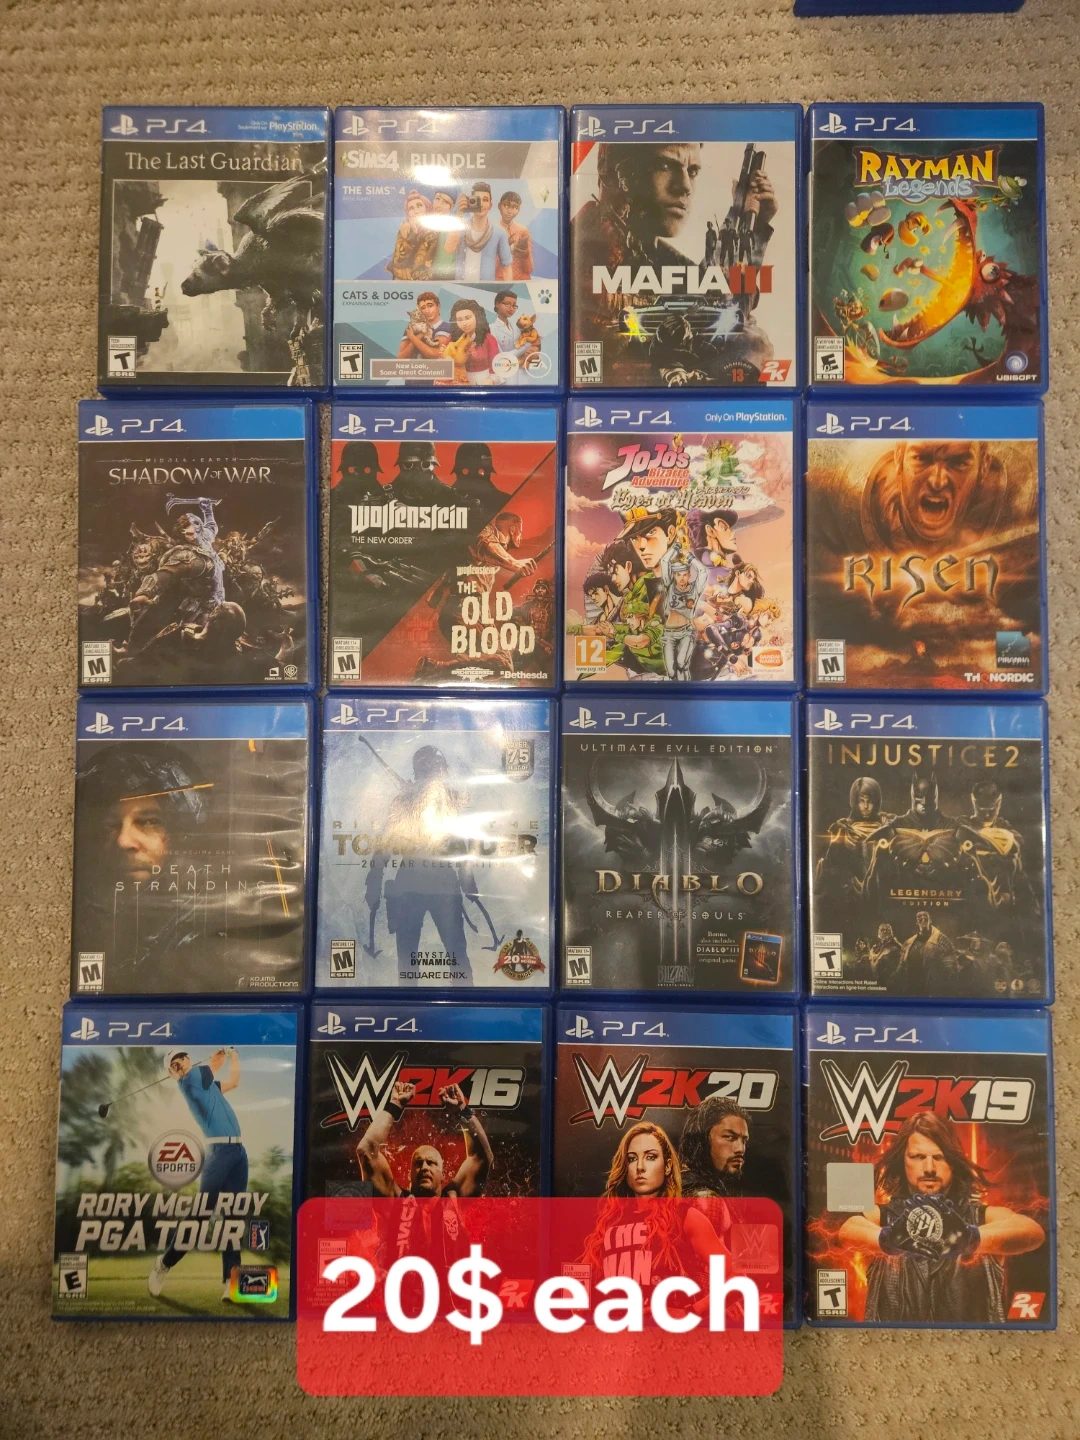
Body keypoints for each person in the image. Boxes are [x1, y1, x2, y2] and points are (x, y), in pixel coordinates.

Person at [839, 1112, 1044, 1323]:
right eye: (918, 1157)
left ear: (953, 1162)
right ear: (903, 1161)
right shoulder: (883, 1217)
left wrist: (971, 1238)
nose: (929, 1168)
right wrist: (886, 1239)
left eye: (939, 1157)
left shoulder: (980, 1217)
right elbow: (848, 1228)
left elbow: (1032, 1231)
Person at [357, 1078, 493, 1279]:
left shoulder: (454, 1199)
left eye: (431, 1163)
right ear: (410, 1174)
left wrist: (462, 1111)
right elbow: (366, 1150)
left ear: (443, 1174)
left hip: (450, 1295)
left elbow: (483, 1157)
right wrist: (395, 1105)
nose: (424, 1168)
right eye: (418, 1163)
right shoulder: (393, 1201)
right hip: (400, 1295)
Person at [148, 1047, 248, 1303]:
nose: (180, 1063)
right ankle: (164, 1263)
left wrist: (234, 1057)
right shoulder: (190, 1081)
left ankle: (231, 1281)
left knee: (233, 1218)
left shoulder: (207, 1084)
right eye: (174, 1064)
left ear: (188, 1058)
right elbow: (214, 1064)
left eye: (182, 1058)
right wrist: (222, 1055)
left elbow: (234, 1082)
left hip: (238, 1152)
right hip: (218, 1153)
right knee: (200, 1217)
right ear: (172, 1073)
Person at [444, 181, 512, 282]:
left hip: (486, 288)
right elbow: (449, 249)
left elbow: (507, 268)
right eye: (477, 199)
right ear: (470, 202)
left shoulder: (499, 233)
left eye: (485, 200)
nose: (481, 204)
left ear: (490, 205)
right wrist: (459, 215)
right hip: (460, 287)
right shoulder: (461, 228)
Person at [443, 298, 501, 385]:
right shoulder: (451, 339)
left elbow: (496, 368)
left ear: (477, 317)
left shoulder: (489, 339)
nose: (464, 323)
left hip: (485, 381)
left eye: (468, 318)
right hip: (460, 381)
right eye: (460, 320)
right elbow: (444, 364)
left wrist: (491, 380)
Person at [386, 190, 438, 280]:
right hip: (400, 277)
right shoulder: (405, 228)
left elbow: (426, 259)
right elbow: (400, 256)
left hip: (420, 279)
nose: (416, 211)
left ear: (427, 207)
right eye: (411, 208)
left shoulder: (432, 232)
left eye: (419, 206)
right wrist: (411, 232)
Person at [396, 291, 452, 361]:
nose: (427, 311)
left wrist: (413, 338)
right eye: (423, 308)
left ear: (438, 306)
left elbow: (435, 354)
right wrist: (417, 337)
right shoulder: (412, 327)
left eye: (430, 306)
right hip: (414, 367)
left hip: (435, 367)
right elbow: (400, 358)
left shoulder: (446, 327)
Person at [495, 190, 534, 280]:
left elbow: (529, 269)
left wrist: (526, 256)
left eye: (515, 207)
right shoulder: (493, 231)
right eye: (506, 206)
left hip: (521, 280)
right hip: (501, 281)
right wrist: (503, 249)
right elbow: (490, 267)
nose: (509, 211)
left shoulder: (523, 231)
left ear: (518, 210)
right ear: (499, 206)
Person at [428, 191, 458, 280]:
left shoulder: (451, 226)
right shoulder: (428, 223)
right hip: (428, 275)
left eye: (445, 202)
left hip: (445, 275)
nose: (438, 205)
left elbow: (448, 251)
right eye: (437, 199)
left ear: (450, 207)